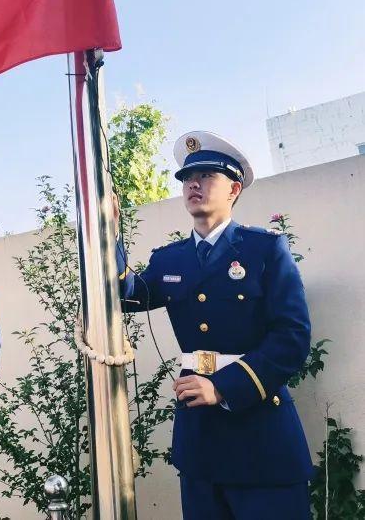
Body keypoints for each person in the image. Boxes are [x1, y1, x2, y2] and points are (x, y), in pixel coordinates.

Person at [117, 131, 313, 520]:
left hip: (261, 440)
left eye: (207, 176)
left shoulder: (264, 251)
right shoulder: (170, 260)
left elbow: (292, 337)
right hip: (201, 444)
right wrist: (108, 232)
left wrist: (221, 386)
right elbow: (127, 296)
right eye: (188, 178)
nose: (194, 184)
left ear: (233, 189)